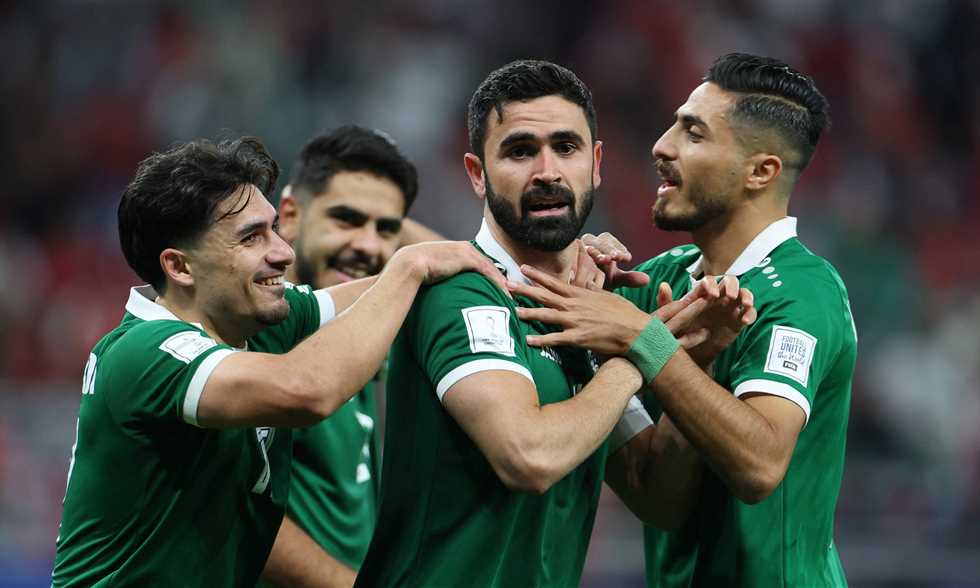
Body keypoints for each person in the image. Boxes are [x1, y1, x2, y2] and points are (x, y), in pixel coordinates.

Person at [355, 60, 755, 587]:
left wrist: (690, 360)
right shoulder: (461, 293)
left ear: (596, 164)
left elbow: (658, 498)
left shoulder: (589, 311)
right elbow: (529, 456)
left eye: (566, 148)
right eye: (520, 151)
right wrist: (643, 349)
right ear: (477, 173)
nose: (547, 171)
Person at [50, 136, 506, 587]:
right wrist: (409, 265)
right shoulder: (145, 352)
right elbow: (308, 390)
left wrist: (510, 275)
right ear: (181, 267)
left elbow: (384, 292)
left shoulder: (257, 320)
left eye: (273, 229)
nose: (283, 252)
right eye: (251, 238)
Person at [511, 53, 856, 587]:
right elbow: (656, 499)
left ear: (761, 172)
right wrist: (583, 308)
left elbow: (760, 466)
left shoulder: (801, 294)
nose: (661, 146)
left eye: (693, 134)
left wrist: (644, 341)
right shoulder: (655, 281)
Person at [264, 125, 433, 587]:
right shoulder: (258, 331)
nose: (368, 246)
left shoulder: (366, 323)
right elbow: (227, 510)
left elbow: (460, 267)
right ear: (290, 215)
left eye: (386, 229)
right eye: (346, 219)